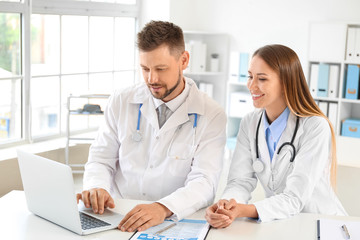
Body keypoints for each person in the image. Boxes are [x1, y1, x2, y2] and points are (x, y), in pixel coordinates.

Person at [77, 20, 227, 232]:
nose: (152, 79)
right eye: (145, 68)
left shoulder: (211, 114)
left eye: (161, 68)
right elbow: (101, 158)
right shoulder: (121, 100)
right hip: (118, 216)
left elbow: (204, 181)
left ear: (184, 60)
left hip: (171, 220)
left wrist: (163, 207)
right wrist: (96, 187)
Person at [205, 44, 347, 227]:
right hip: (282, 222)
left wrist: (242, 210)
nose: (252, 85)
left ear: (286, 83)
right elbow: (240, 182)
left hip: (320, 224)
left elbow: (294, 198)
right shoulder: (250, 122)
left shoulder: (315, 126)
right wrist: (226, 206)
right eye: (250, 77)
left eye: (262, 79)